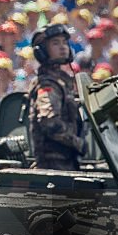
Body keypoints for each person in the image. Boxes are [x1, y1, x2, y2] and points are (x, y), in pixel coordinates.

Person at [28, 24, 85, 170]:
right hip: (53, 165)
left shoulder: (62, 81)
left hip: (66, 162)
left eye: (64, 42)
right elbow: (49, 122)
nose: (63, 47)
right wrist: (77, 142)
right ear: (42, 52)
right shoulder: (48, 84)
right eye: (55, 43)